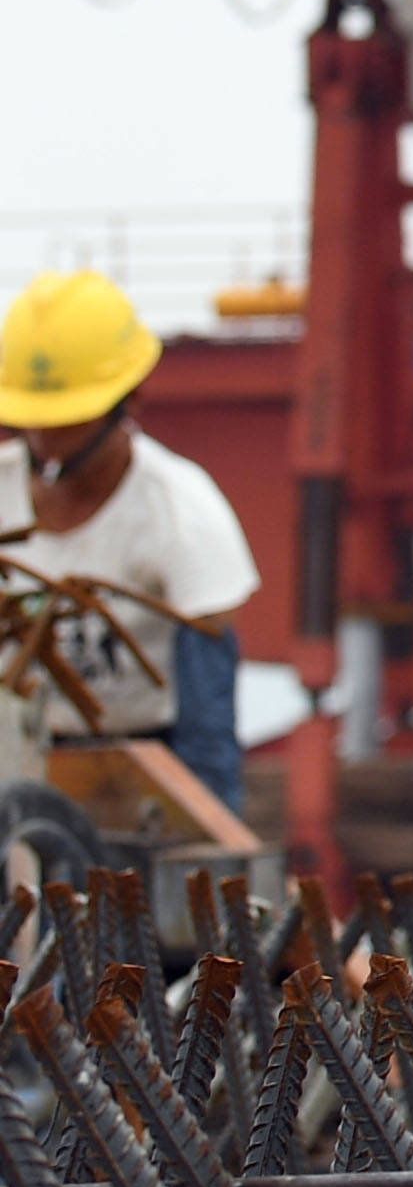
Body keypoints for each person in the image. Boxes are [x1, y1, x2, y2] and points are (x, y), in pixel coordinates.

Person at [0, 269, 262, 816]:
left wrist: (205, 833)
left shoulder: (181, 515)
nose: (43, 442)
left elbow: (207, 723)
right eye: (32, 420)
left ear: (130, 400)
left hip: (141, 770)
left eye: (65, 421)